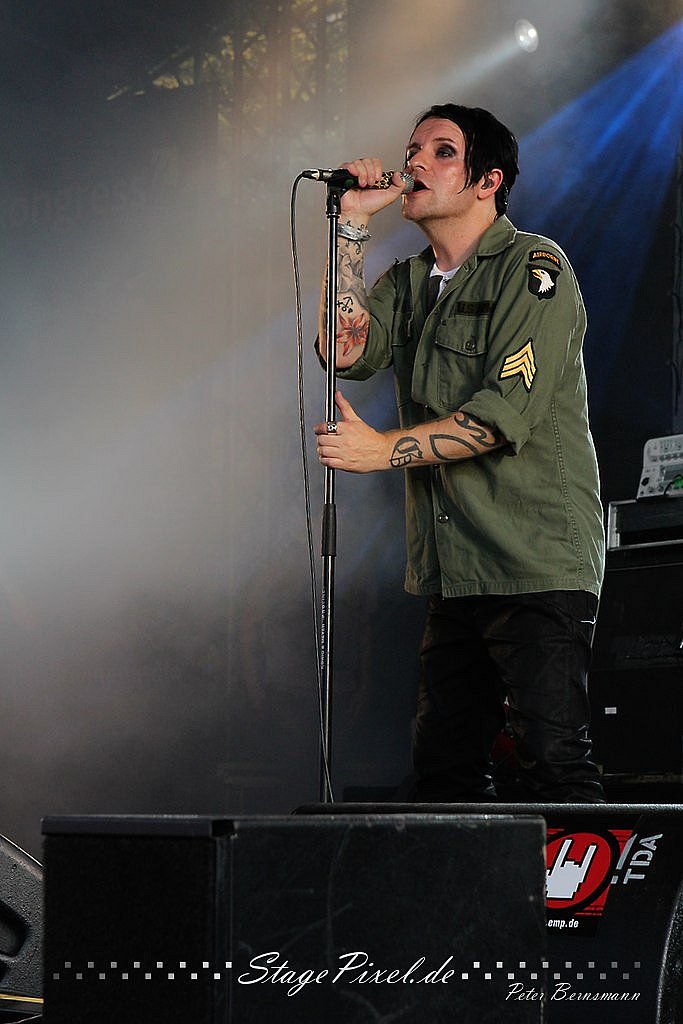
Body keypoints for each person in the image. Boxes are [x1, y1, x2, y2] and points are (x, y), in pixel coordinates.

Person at [315, 103, 605, 803]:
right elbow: (343, 352)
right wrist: (351, 225)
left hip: (532, 559)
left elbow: (499, 418)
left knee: (552, 762)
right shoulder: (408, 282)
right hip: (453, 569)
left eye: (441, 151)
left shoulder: (534, 268)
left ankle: (585, 878)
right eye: (412, 149)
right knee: (444, 772)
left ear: (487, 181)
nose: (414, 161)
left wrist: (380, 451)